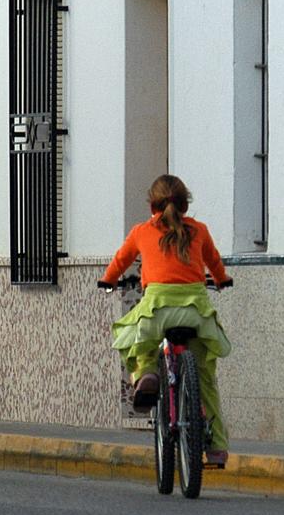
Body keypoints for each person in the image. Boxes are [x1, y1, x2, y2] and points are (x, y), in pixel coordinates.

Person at [99, 174, 233, 466]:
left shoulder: (141, 231)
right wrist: (222, 280)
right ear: (185, 204)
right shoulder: (199, 230)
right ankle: (217, 448)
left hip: (157, 308)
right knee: (205, 378)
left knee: (134, 336)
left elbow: (121, 261)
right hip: (195, 311)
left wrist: (107, 280)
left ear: (153, 205)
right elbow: (214, 262)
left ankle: (147, 373)